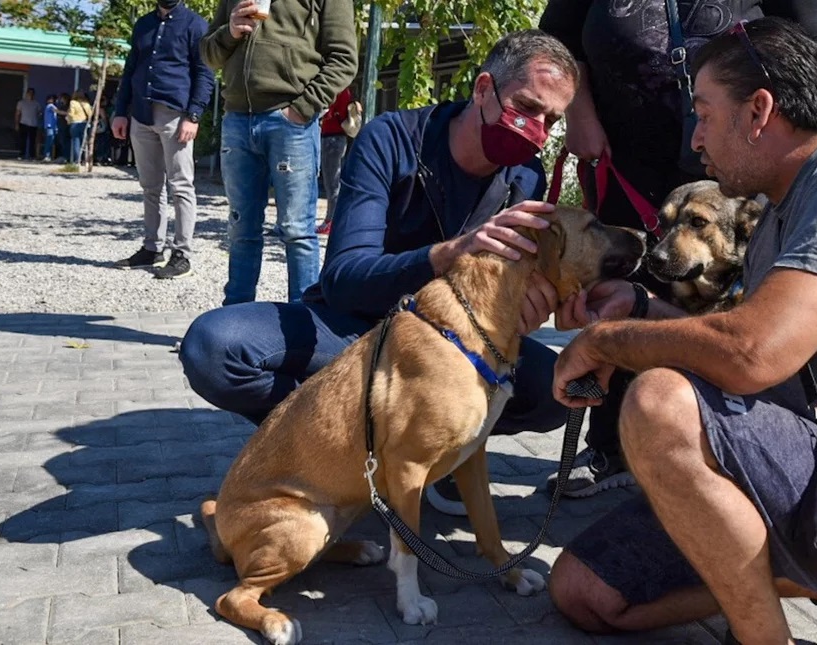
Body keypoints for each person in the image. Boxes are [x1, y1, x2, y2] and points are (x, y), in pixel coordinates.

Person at [543, 18, 817, 644]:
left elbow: (751, 354)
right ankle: (789, 574)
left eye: (703, 114)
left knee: (659, 403)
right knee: (586, 594)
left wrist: (606, 343)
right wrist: (638, 310)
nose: (695, 138)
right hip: (797, 461)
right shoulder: (786, 197)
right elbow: (744, 342)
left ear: (759, 111)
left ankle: (769, 630)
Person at [180, 29, 580, 517]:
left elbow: (511, 292)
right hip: (353, 329)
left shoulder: (526, 177)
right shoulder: (390, 139)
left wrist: (537, 307)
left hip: (449, 350)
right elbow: (344, 277)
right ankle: (332, 452)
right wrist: (449, 253)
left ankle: (439, 451)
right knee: (214, 348)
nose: (536, 129)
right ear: (482, 89)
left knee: (559, 387)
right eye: (528, 106)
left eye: (551, 120)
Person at [538, 0, 817, 498]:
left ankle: (724, 444)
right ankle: (612, 447)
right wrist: (579, 114)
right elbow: (558, 40)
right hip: (625, 157)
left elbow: (813, 45)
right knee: (624, 290)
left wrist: (808, 159)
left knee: (731, 306)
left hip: (740, 156)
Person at [200, 0, 359, 305]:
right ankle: (235, 325)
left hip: (291, 123)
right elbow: (208, 53)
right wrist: (230, 31)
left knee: (297, 231)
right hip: (237, 118)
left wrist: (302, 108)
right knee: (241, 228)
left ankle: (304, 326)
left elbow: (344, 58)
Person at [111, 0, 215, 280]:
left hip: (175, 115)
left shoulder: (195, 24)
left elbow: (204, 73)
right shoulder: (143, 24)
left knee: (181, 185)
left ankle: (182, 254)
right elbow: (130, 69)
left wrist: (193, 115)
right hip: (141, 114)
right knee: (150, 186)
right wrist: (120, 112)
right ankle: (152, 248)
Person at [317, 85, 355, 234]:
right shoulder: (344, 91)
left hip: (332, 136)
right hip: (334, 136)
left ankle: (332, 220)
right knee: (331, 179)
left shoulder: (339, 91)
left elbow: (335, 113)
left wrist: (324, 114)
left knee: (331, 180)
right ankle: (331, 219)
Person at [66, 91, 92, 166]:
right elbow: (90, 115)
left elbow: (71, 113)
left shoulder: (73, 102)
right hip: (84, 124)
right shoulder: (87, 104)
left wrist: (69, 120)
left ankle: (77, 160)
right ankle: (85, 160)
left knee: (76, 142)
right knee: (84, 143)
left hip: (75, 123)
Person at [15, 88, 41, 161]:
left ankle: (32, 156)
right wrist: (17, 124)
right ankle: (21, 155)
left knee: (32, 141)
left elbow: (39, 113)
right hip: (23, 123)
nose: (31, 94)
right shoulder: (21, 103)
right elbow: (17, 114)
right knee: (22, 140)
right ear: (26, 93)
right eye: (29, 93)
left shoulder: (36, 103)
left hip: (33, 124)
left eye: (32, 93)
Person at [41, 95, 59, 162]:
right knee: (49, 141)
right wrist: (66, 113)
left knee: (51, 142)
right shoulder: (50, 106)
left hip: (53, 127)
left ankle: (49, 156)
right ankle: (46, 155)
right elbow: (57, 111)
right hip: (49, 126)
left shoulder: (52, 106)